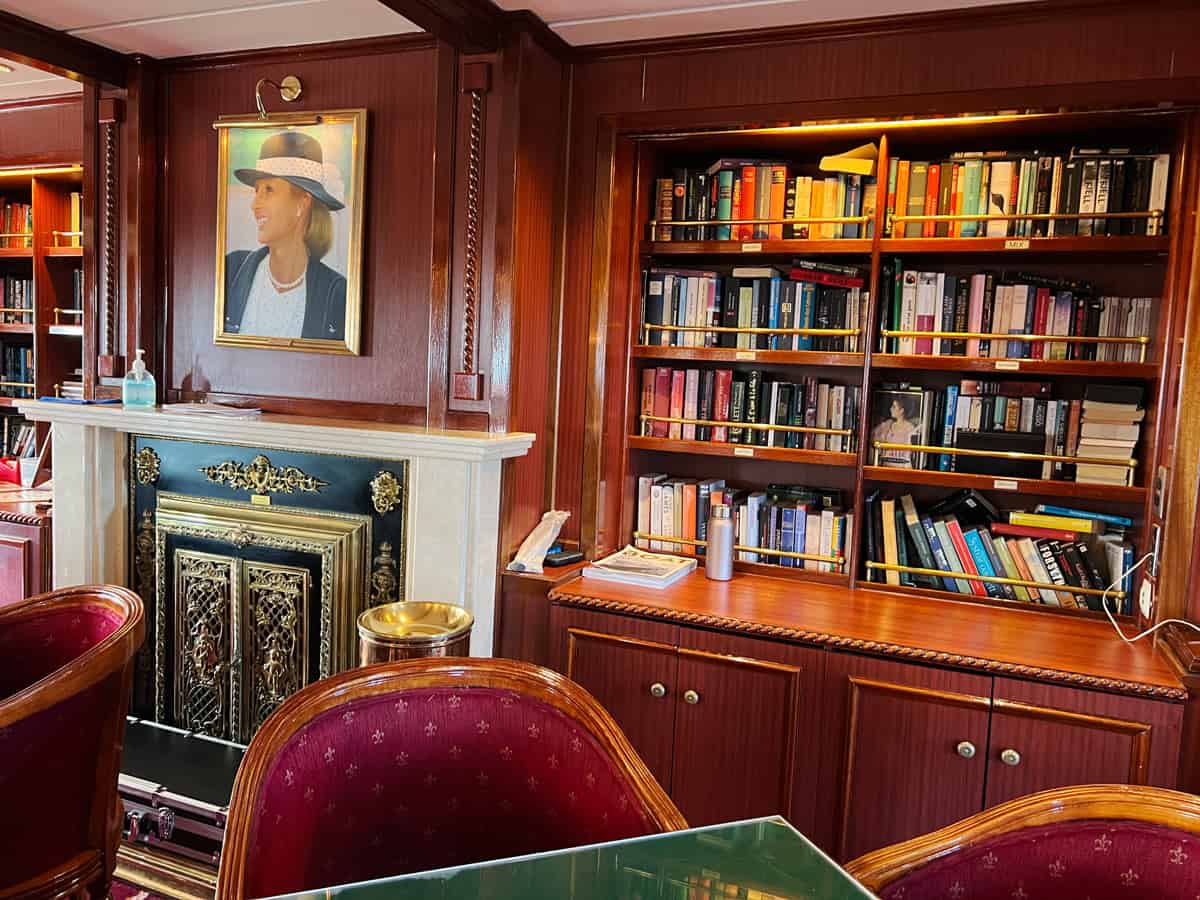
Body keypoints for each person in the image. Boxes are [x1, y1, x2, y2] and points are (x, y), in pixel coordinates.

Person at [223, 131, 347, 341]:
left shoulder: (336, 293)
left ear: (302, 203)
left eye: (269, 190)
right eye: (257, 191)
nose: (255, 204)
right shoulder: (231, 269)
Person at [873, 396, 922, 467]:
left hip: (902, 468)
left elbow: (912, 452)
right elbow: (874, 438)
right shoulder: (888, 424)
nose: (890, 409)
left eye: (894, 407)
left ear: (902, 410)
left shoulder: (910, 428)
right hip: (884, 467)